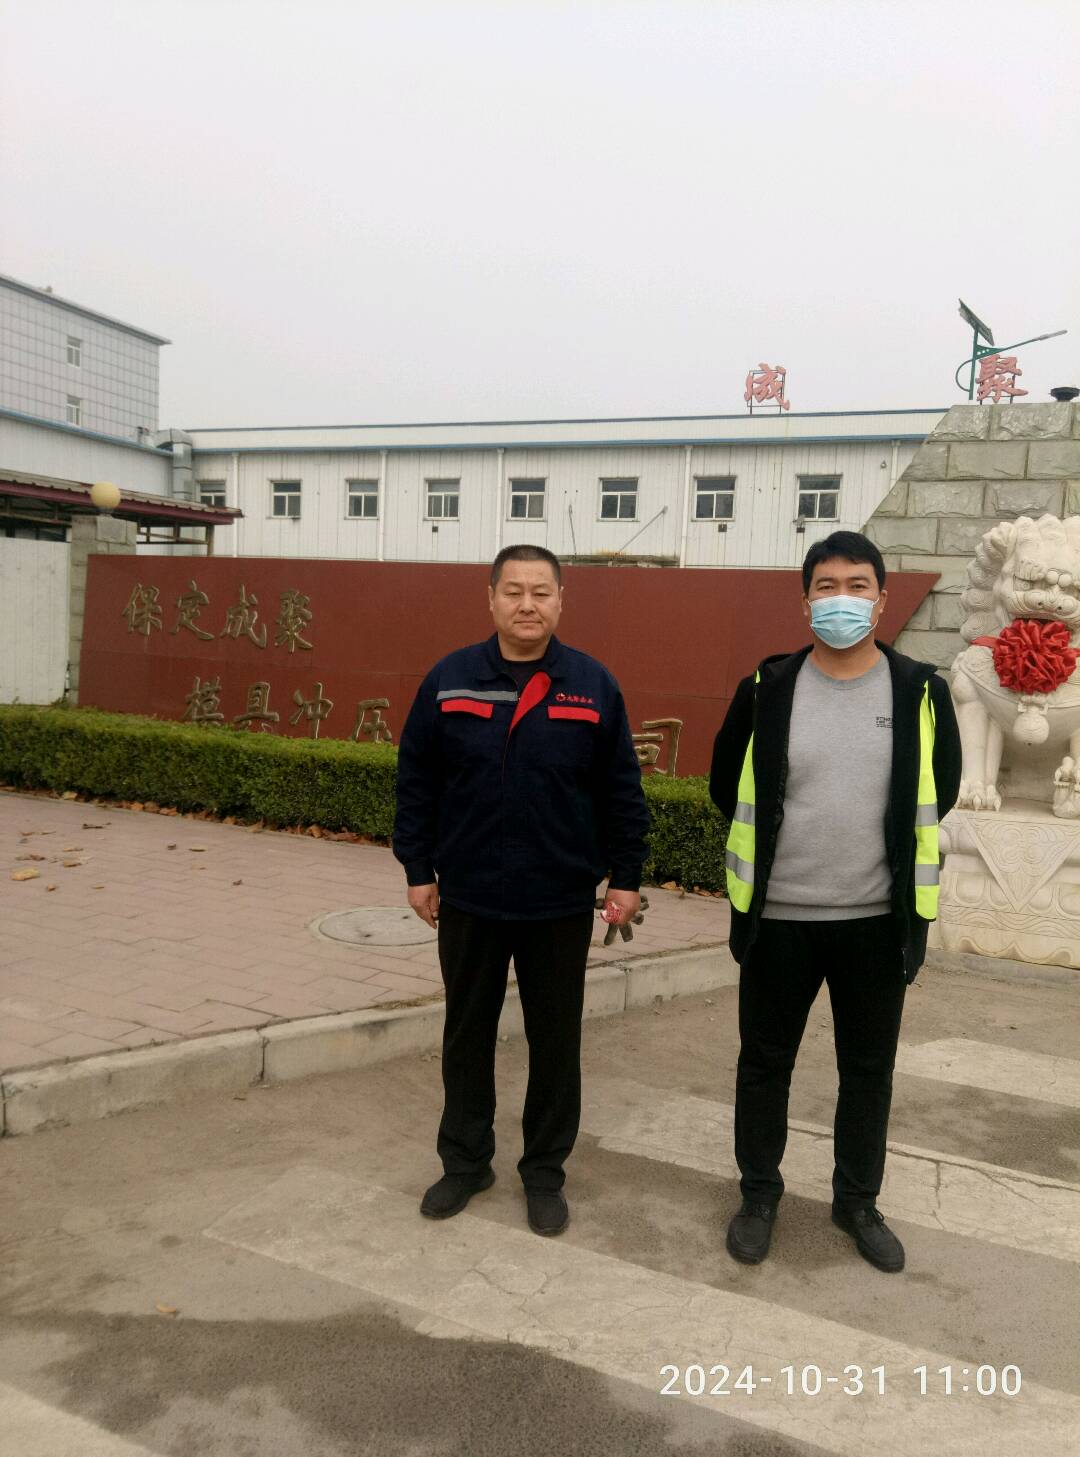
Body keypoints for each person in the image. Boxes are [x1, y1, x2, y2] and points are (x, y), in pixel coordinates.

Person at [710, 531, 961, 1272]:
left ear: (882, 600)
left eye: (857, 586)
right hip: (778, 919)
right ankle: (759, 1196)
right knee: (764, 1065)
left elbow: (940, 787)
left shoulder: (920, 691)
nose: (841, 599)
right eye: (827, 586)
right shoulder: (767, 688)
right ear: (806, 601)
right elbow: (727, 783)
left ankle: (857, 1202)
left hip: (877, 923)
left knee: (868, 1071)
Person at [393, 544, 648, 1236]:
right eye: (513, 591)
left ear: (561, 601)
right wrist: (417, 869)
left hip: (558, 901)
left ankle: (544, 1172)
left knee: (555, 1043)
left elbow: (621, 790)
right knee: (466, 1036)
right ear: (491, 598)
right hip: (470, 897)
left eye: (541, 592)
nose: (527, 604)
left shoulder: (591, 684)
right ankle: (465, 1161)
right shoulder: (450, 679)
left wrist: (626, 875)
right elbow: (416, 779)